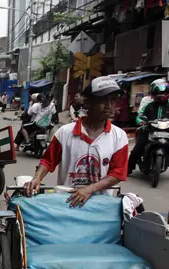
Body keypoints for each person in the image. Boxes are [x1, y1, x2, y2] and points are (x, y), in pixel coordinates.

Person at [24, 76, 129, 207]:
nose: (109, 106)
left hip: (102, 206)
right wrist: (37, 178)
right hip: (67, 202)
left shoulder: (119, 137)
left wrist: (89, 189)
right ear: (88, 102)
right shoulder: (65, 132)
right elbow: (47, 161)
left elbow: (118, 173)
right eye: (102, 101)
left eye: (112, 101)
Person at [129, 81, 169, 182]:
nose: (160, 95)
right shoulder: (149, 105)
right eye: (158, 93)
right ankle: (128, 169)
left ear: (168, 94)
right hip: (149, 130)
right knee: (138, 148)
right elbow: (140, 115)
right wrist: (141, 122)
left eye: (163, 93)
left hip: (168, 130)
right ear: (153, 95)